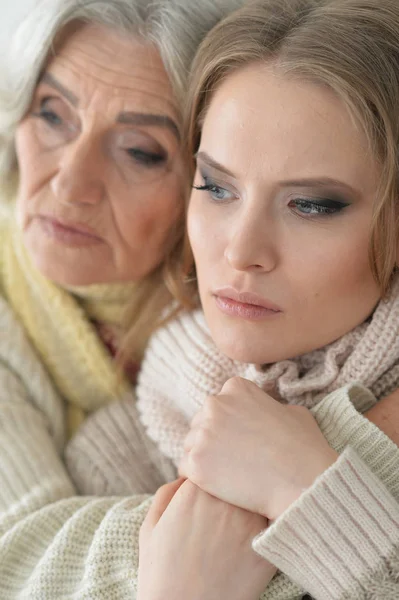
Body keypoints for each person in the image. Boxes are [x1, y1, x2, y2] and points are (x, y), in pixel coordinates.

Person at [66, 0, 399, 598]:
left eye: (312, 205)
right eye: (217, 187)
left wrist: (304, 487)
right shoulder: (126, 442)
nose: (242, 250)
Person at [0, 0, 244, 597]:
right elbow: (20, 561)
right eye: (52, 115)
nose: (70, 183)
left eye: (139, 150)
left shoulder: (254, 292)